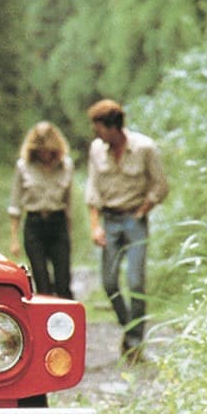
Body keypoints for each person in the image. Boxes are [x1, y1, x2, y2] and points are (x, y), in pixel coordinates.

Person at [84, 99, 169, 363]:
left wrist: (143, 210)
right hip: (109, 219)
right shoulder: (96, 150)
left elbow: (161, 185)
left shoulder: (145, 148)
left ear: (113, 128)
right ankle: (129, 326)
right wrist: (95, 225)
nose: (97, 135)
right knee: (109, 283)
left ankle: (134, 343)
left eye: (99, 129)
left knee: (135, 282)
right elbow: (93, 188)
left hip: (134, 220)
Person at [8, 121, 74, 298]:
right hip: (34, 225)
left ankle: (68, 320)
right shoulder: (23, 166)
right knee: (41, 280)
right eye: (41, 151)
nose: (45, 155)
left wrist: (69, 230)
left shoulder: (66, 166)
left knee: (63, 280)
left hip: (58, 223)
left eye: (49, 151)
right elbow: (15, 204)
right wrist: (14, 238)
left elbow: (68, 202)